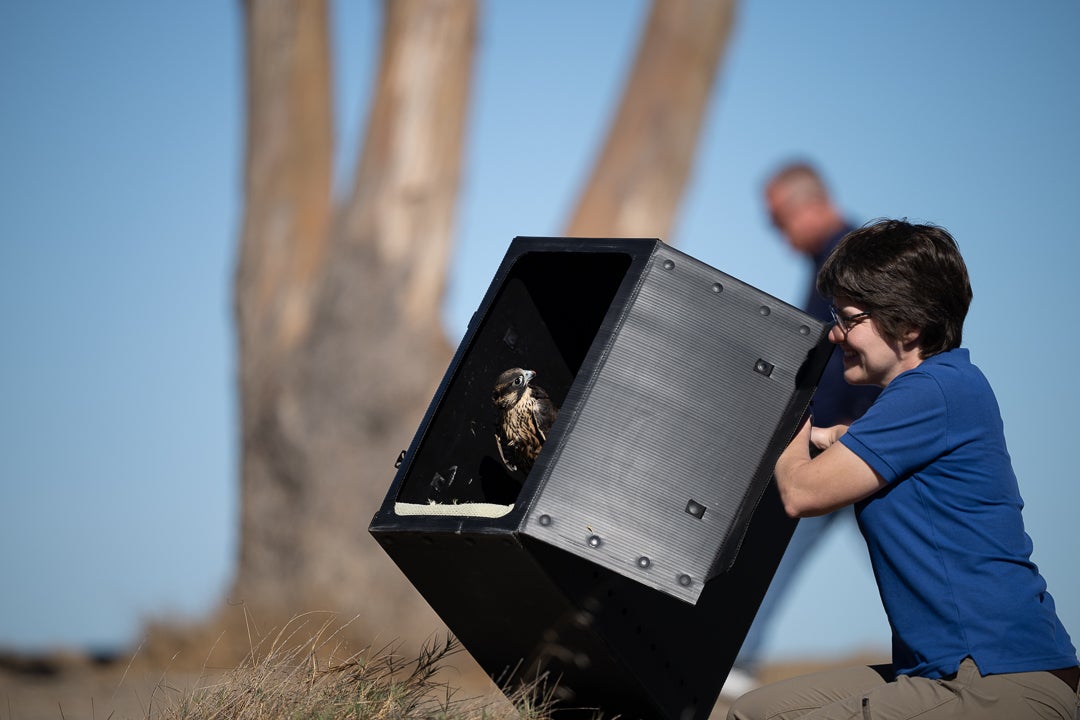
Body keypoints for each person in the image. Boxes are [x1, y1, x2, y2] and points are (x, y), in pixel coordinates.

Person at [728, 219, 1079, 719]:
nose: (835, 333)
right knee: (753, 711)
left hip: (998, 677)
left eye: (849, 318)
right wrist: (817, 435)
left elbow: (801, 494)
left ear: (909, 325)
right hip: (941, 668)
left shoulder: (934, 391)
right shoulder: (924, 397)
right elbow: (843, 443)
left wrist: (783, 410)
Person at [723, 162, 881, 697]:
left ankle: (736, 661)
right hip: (849, 439)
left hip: (853, 442)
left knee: (778, 540)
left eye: (776, 219)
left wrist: (835, 428)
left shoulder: (852, 259)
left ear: (809, 205)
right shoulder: (831, 261)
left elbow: (857, 357)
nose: (775, 232)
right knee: (907, 550)